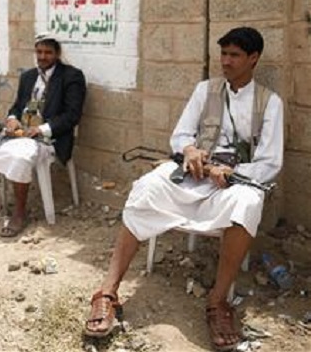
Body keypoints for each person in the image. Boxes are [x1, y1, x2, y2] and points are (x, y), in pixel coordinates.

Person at [85, 27, 284, 351]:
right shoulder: (206, 91)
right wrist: (190, 151)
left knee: (247, 203)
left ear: (253, 58)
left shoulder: (270, 102)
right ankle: (107, 292)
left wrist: (232, 171)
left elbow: (270, 162)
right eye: (224, 54)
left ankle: (217, 303)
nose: (226, 61)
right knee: (145, 187)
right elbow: (179, 137)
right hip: (191, 176)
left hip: (229, 184)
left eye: (234, 55)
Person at [0, 34, 87, 237]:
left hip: (49, 138)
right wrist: (12, 119)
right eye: (39, 52)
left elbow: (72, 116)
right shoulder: (29, 76)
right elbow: (17, 106)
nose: (42, 57)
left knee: (20, 157)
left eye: (48, 52)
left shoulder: (72, 76)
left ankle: (19, 214)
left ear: (57, 54)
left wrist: (39, 129)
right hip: (20, 133)